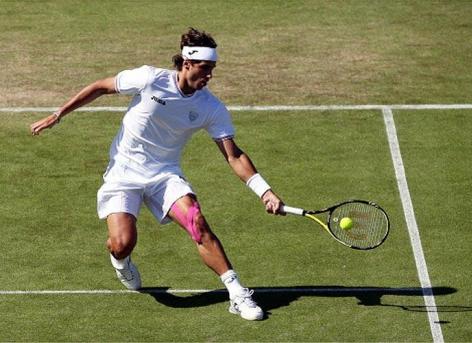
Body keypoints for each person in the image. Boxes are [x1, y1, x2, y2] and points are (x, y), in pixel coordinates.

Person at [30, 27, 283, 321]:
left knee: (197, 223)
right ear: (187, 64)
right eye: (205, 68)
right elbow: (102, 86)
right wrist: (59, 114)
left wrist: (264, 190)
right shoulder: (150, 79)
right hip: (123, 173)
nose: (210, 76)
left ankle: (238, 293)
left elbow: (234, 155)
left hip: (164, 174)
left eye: (213, 69)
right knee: (122, 243)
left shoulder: (210, 107)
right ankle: (120, 261)